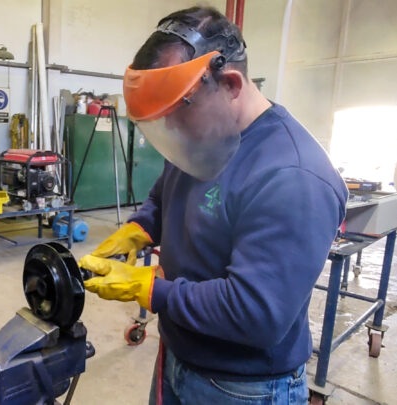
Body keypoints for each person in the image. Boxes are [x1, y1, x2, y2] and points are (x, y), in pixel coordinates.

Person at [78, 6, 348, 404]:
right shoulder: (204, 136)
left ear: (231, 84)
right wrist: (140, 229)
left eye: (178, 116)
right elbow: (164, 195)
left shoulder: (293, 175)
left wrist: (151, 290)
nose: (173, 130)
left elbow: (256, 313)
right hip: (178, 353)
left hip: (243, 386)